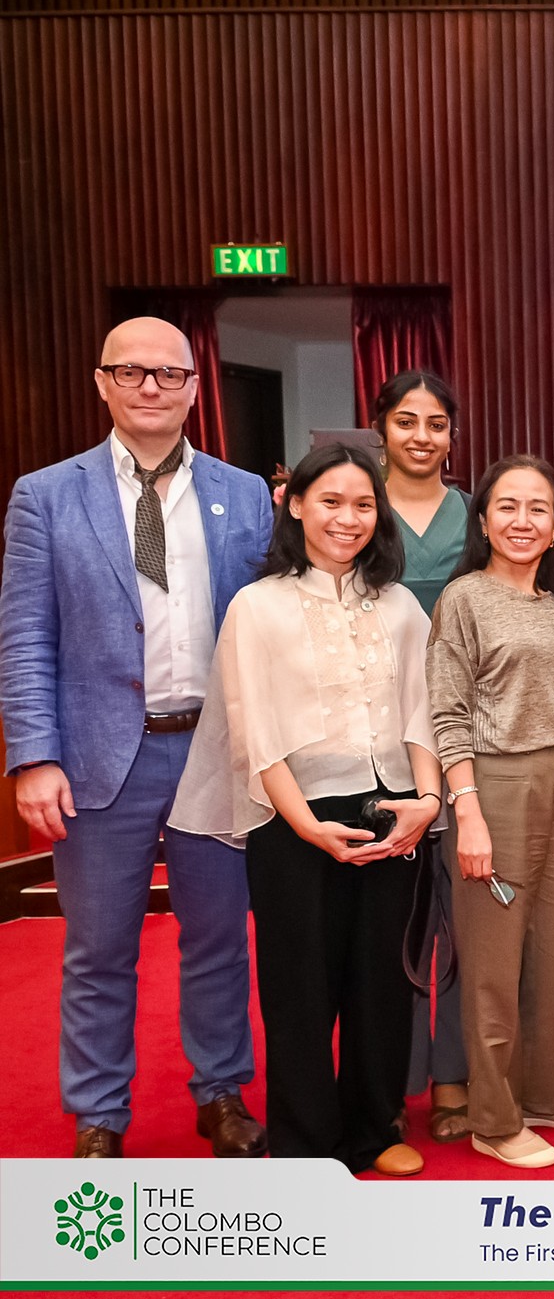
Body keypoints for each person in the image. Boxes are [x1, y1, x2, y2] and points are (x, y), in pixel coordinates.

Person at [0, 317, 273, 1160]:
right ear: (102, 383)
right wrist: (33, 755)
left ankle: (221, 1093)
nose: (150, 386)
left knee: (221, 938)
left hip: (214, 752)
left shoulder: (244, 494)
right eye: (132, 371)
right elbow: (25, 635)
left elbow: (267, 628)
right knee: (98, 947)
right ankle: (99, 1114)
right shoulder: (47, 494)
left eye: (168, 373)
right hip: (95, 758)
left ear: (195, 386)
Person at [169, 443, 443, 1176]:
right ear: (294, 504)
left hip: (392, 807)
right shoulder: (258, 606)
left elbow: (423, 710)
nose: (347, 518)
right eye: (330, 501)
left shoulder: (399, 603)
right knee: (300, 984)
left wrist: (428, 800)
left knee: (381, 980)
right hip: (292, 816)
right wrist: (305, 825)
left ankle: (374, 1125)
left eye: (363, 504)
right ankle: (308, 1139)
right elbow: (252, 730)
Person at [428, 455, 554, 1169]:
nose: (523, 520)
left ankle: (541, 1095)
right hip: (494, 783)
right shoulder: (463, 597)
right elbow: (447, 710)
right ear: (485, 519)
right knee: (495, 962)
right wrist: (466, 808)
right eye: (508, 506)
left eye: (539, 508)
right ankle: (494, 1118)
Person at [373, 369, 472, 1143]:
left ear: (451, 434)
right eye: (407, 421)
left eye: (435, 423)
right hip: (375, 735)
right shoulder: (352, 505)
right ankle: (393, 1080)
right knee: (396, 922)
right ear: (382, 428)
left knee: (466, 917)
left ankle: (454, 1075)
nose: (421, 436)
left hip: (470, 731)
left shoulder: (478, 513)